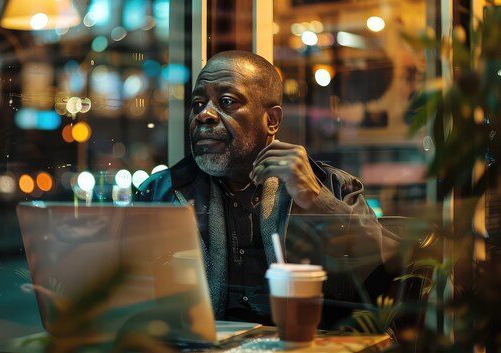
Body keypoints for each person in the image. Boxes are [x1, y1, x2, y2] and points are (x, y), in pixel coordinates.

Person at [135, 50, 394, 328]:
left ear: (272, 120)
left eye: (226, 101)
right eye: (198, 104)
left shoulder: (333, 185)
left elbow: (389, 276)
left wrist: (317, 200)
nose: (204, 115)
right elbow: (125, 293)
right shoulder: (160, 194)